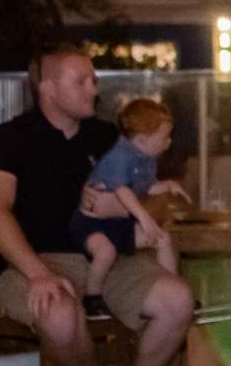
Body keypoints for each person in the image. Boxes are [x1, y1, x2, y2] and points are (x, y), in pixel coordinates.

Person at [0, 46, 192, 366]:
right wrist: (37, 273)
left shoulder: (108, 137)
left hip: (110, 258)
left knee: (178, 300)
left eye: (93, 79)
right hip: (38, 261)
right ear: (47, 87)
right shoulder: (8, 140)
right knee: (57, 313)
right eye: (82, 80)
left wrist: (123, 207)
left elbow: (156, 198)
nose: (95, 88)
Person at [68, 97, 182, 283]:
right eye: (165, 137)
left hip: (118, 224)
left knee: (163, 239)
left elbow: (148, 187)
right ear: (143, 140)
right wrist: (144, 218)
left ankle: (171, 283)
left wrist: (168, 185)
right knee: (105, 253)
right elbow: (122, 191)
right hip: (92, 224)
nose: (169, 142)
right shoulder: (120, 156)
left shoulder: (146, 158)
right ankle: (93, 296)